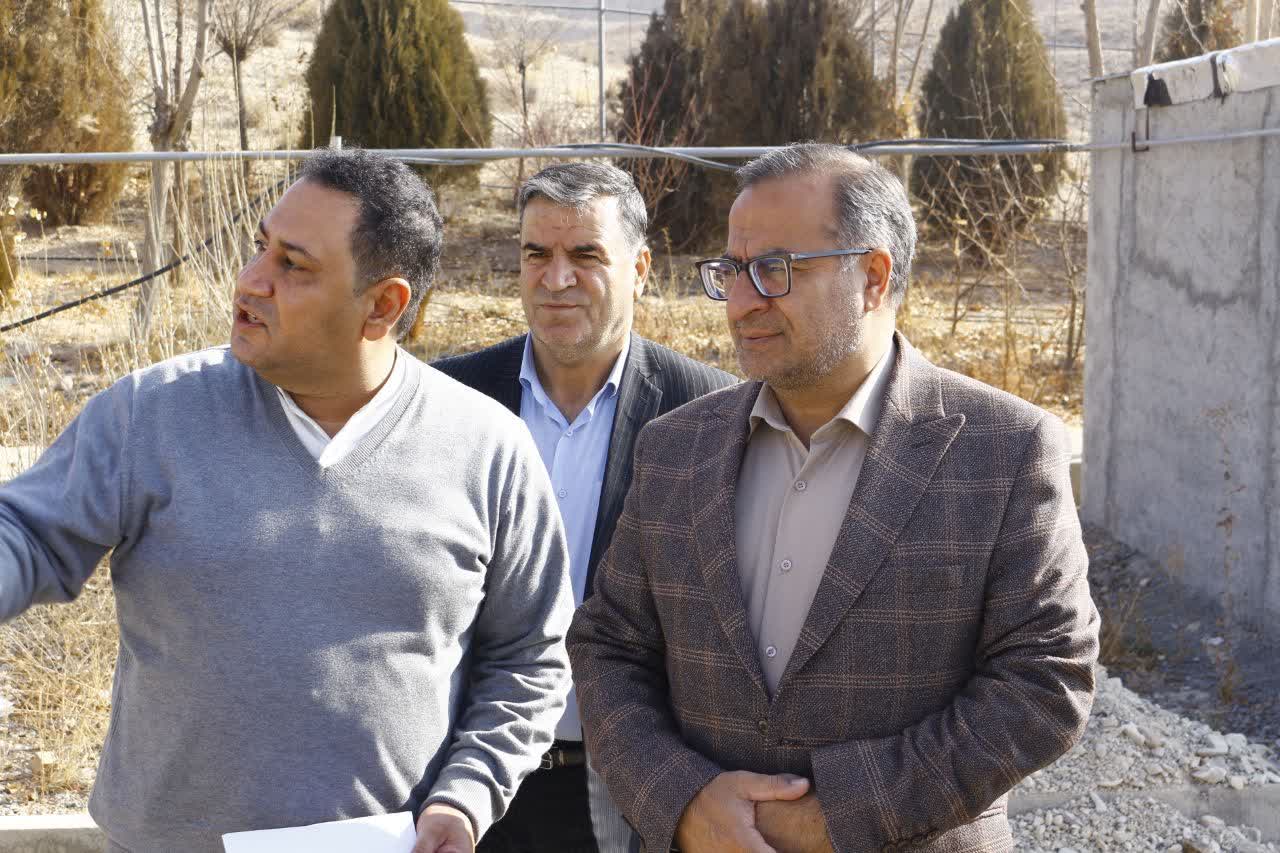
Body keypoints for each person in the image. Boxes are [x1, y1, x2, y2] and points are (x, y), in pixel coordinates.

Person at [0, 148, 574, 853]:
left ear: (383, 305)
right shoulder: (151, 415)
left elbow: (530, 657)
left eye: (293, 265)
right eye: (259, 246)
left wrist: (467, 796)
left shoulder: (487, 448)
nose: (250, 280)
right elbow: (25, 531)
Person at [567, 143, 1100, 853]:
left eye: (774, 269)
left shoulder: (1003, 448)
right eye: (731, 271)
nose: (742, 302)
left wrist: (831, 818)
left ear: (872, 276)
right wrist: (686, 801)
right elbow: (608, 647)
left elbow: (1045, 680)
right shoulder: (674, 448)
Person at [434, 162, 736, 853]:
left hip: (631, 791)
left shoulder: (710, 413)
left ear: (641, 269)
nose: (556, 278)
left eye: (585, 255)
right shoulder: (450, 401)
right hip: (466, 787)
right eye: (536, 254)